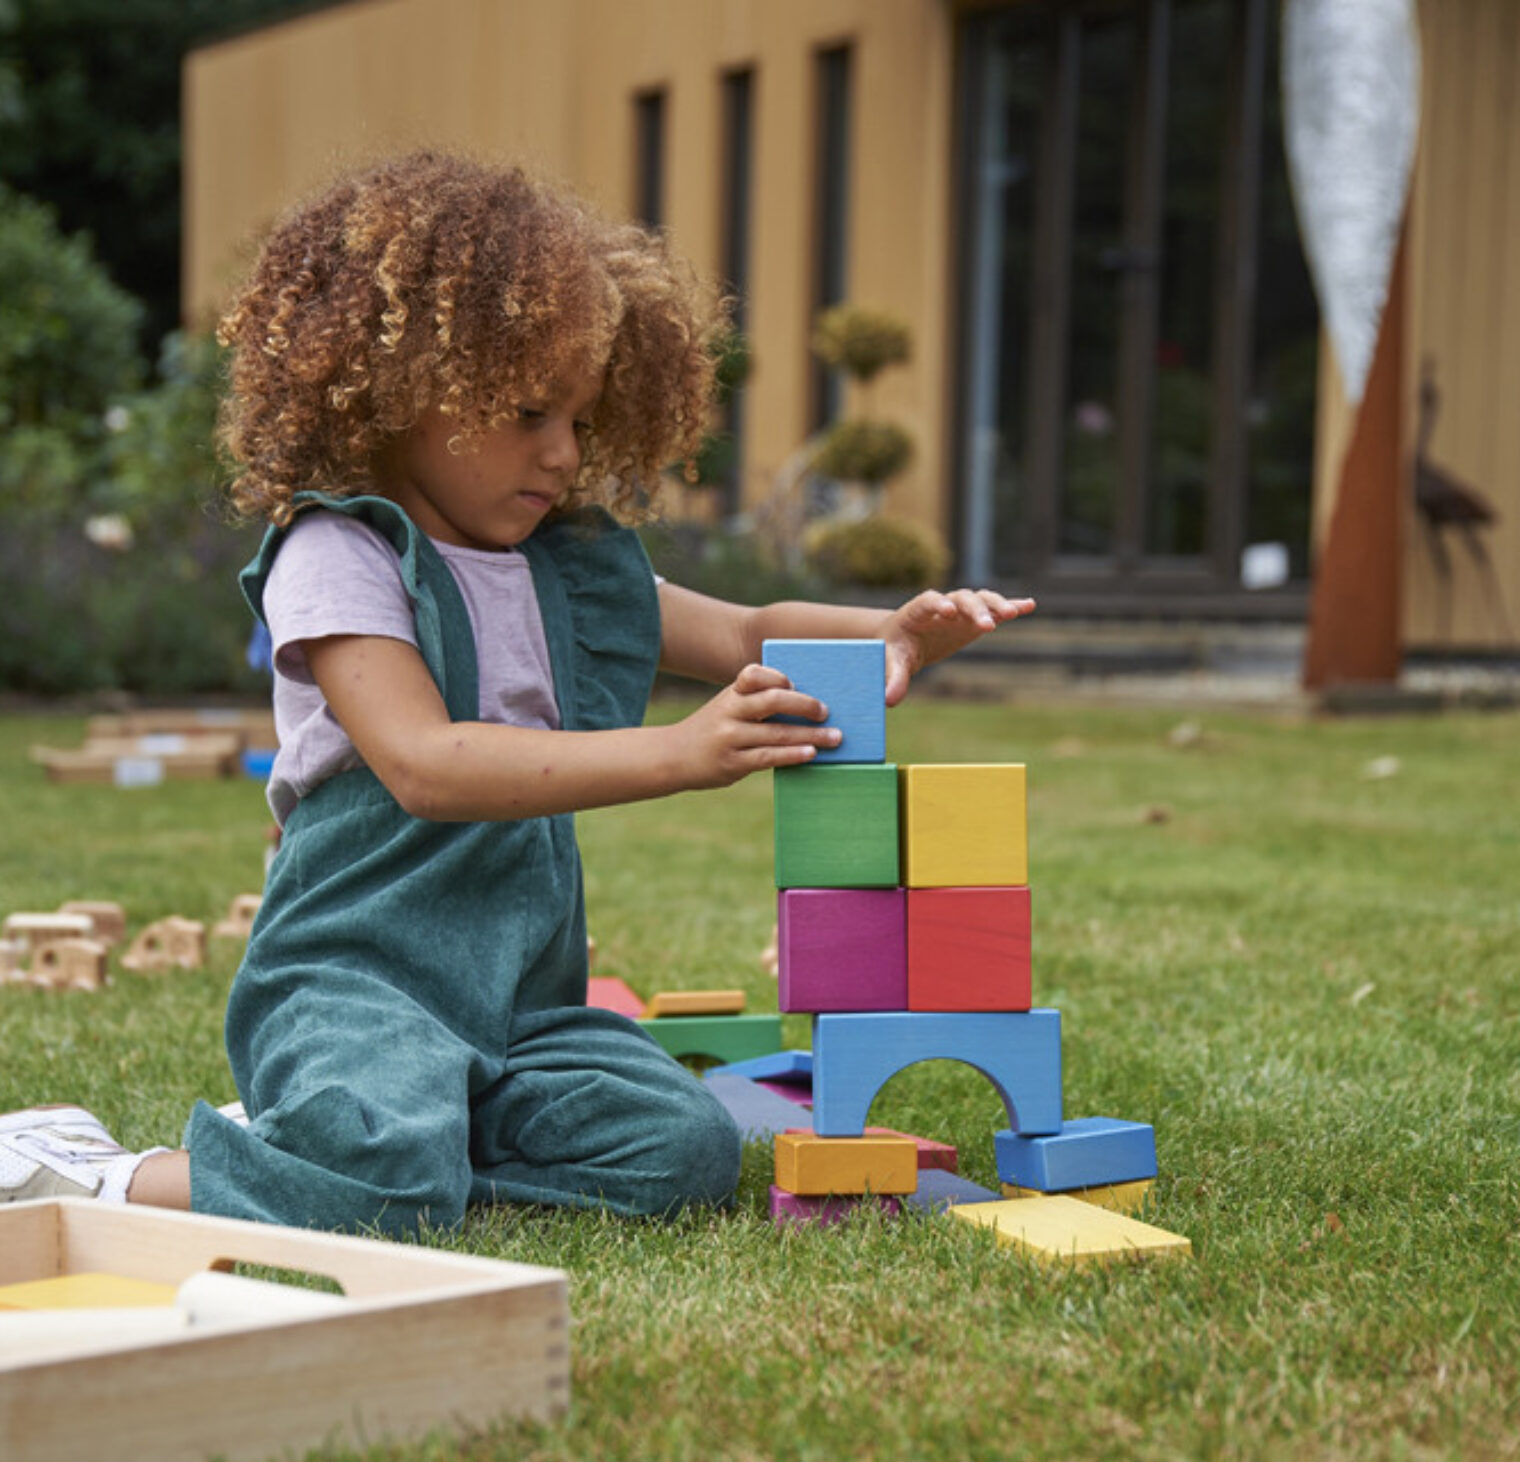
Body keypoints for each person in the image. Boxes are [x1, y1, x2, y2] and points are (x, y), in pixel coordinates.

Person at [0, 151, 1034, 1236]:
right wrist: (675, 755)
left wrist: (889, 635)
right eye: (528, 410)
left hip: (521, 1009)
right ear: (404, 389)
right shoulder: (342, 550)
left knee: (678, 1149)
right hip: (357, 985)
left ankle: (372, 1137)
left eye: (581, 417)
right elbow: (424, 762)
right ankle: (102, 1169)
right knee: (380, 1192)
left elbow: (738, 630)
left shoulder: (565, 562)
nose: (560, 451)